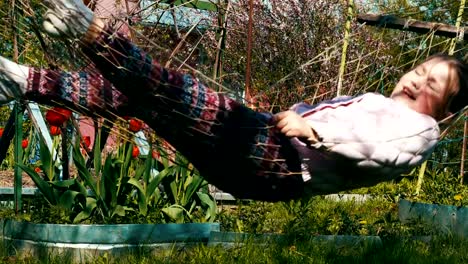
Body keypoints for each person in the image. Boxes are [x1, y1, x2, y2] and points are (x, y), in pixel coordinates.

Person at [0, 0, 466, 201]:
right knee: (142, 99)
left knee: (174, 90)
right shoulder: (382, 104)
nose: (416, 83)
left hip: (275, 161)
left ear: (445, 110)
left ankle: (89, 30)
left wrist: (315, 132)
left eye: (432, 89)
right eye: (420, 72)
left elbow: (381, 156)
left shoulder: (420, 131)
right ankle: (25, 81)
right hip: (257, 166)